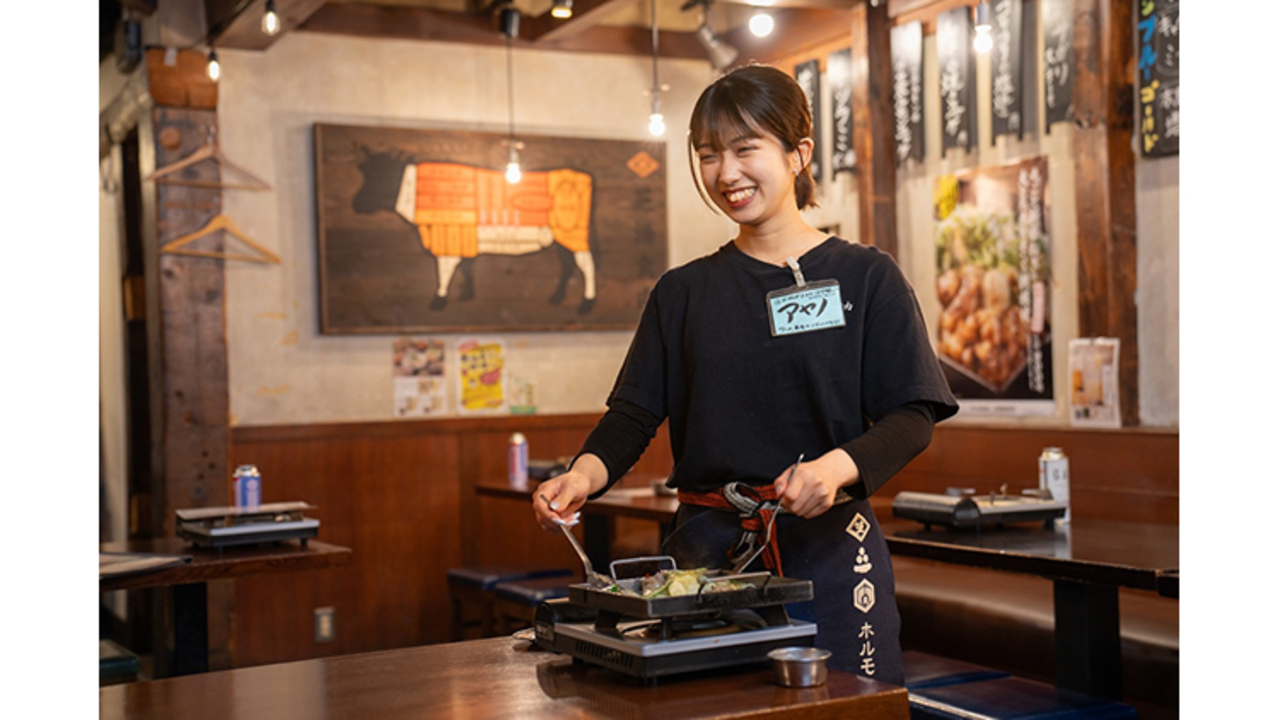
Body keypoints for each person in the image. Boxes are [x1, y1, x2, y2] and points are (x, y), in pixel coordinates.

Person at [532, 64, 958, 686]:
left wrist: (834, 470)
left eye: (745, 149)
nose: (726, 173)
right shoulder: (682, 292)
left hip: (830, 553)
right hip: (703, 561)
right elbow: (633, 415)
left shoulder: (867, 277)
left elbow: (913, 414)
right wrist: (581, 477)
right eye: (709, 155)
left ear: (798, 154)